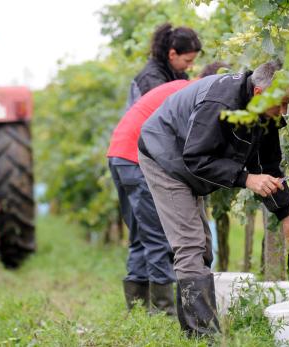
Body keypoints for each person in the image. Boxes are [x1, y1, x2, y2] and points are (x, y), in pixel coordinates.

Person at [137, 61, 289, 336]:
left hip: (187, 161)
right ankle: (203, 336)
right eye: (281, 103)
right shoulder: (220, 103)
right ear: (258, 94)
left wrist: (287, 217)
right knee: (190, 246)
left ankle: (192, 331)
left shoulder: (265, 112)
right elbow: (195, 157)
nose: (284, 111)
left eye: (288, 103)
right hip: (165, 159)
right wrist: (246, 179)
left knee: (203, 247)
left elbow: (269, 165)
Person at [108, 63, 228, 316]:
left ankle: (139, 310)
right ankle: (163, 312)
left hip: (118, 154)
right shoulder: (197, 94)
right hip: (138, 157)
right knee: (161, 235)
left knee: (141, 235)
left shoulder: (177, 88)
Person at [124, 23, 201, 110]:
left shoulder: (176, 73)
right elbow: (164, 110)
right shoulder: (151, 77)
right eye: (187, 61)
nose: (191, 66)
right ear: (172, 54)